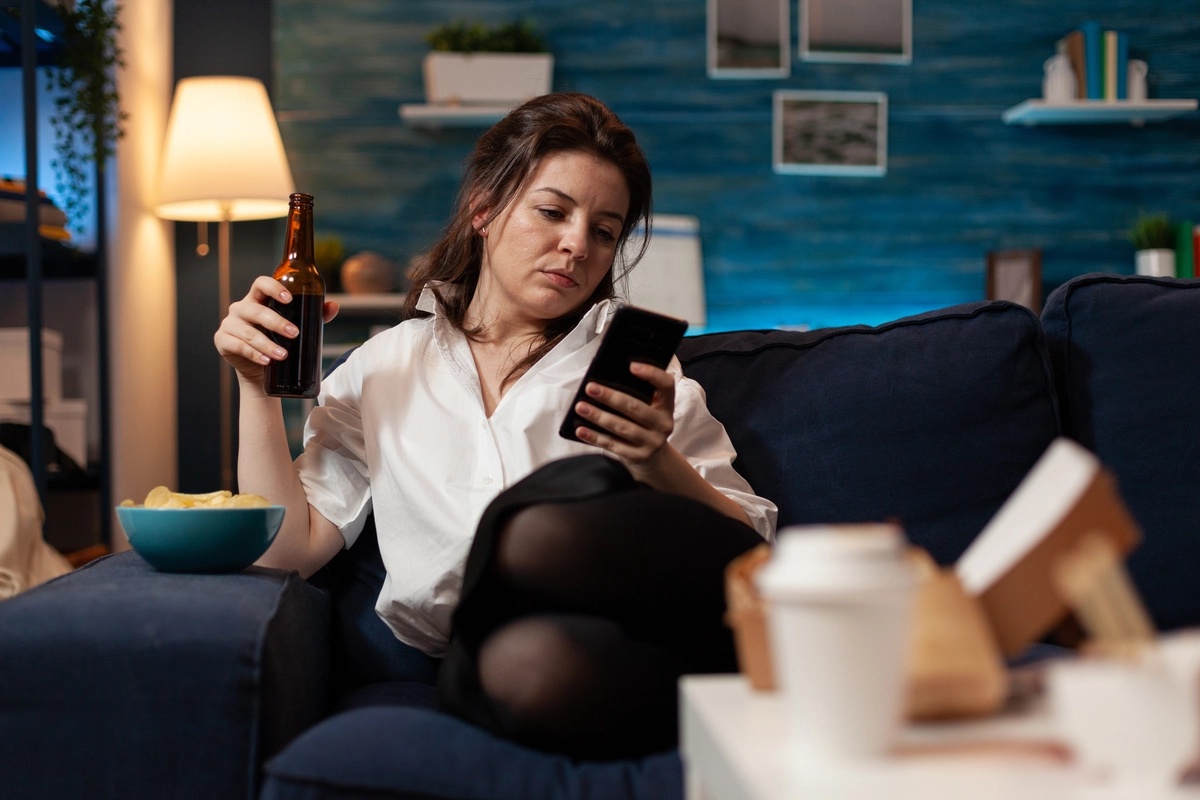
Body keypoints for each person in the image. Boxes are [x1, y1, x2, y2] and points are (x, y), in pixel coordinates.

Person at [214, 92, 777, 759]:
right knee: (530, 664)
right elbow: (286, 552)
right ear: (483, 209)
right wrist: (255, 388)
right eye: (552, 211)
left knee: (544, 527)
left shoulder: (634, 370)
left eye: (604, 230)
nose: (577, 245)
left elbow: (750, 557)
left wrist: (656, 460)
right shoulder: (385, 368)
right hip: (495, 660)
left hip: (639, 623)